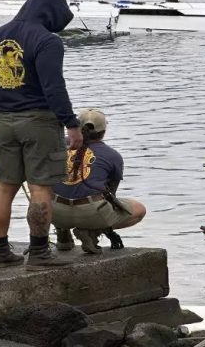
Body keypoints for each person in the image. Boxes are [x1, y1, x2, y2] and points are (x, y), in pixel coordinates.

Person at [0, 0, 82, 270]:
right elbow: (53, 87)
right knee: (41, 187)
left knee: (4, 187)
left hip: (4, 120)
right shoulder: (47, 40)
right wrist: (71, 123)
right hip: (40, 121)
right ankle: (40, 252)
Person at [51, 108, 148, 254]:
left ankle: (63, 235)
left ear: (77, 127)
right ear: (103, 131)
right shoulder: (113, 156)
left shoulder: (56, 144)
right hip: (91, 212)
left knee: (54, 189)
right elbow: (111, 194)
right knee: (139, 209)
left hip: (54, 212)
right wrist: (106, 228)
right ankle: (91, 232)